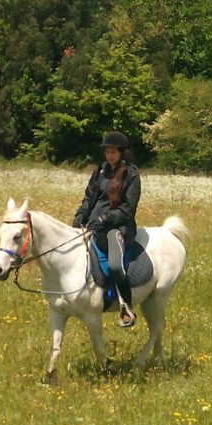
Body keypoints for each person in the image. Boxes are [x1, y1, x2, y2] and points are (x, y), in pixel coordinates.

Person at [72, 131, 142, 328]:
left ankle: (126, 308)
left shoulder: (131, 174)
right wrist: (80, 216)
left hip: (118, 227)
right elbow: (89, 198)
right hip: (94, 225)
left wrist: (106, 218)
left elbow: (128, 208)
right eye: (107, 152)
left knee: (114, 265)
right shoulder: (100, 171)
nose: (109, 155)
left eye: (113, 152)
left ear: (121, 153)